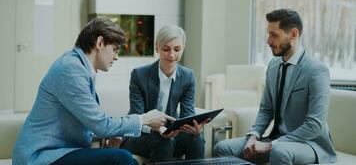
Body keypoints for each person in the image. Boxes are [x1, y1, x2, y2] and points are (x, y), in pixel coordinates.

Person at [12, 17, 174, 165]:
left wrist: (117, 131)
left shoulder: (80, 67)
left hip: (60, 151)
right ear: (100, 43)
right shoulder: (71, 70)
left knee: (120, 156)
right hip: (41, 156)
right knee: (122, 158)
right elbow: (100, 124)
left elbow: (90, 122)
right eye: (115, 49)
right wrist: (143, 119)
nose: (116, 57)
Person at [214, 9, 337, 164]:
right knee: (223, 148)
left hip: (310, 144)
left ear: (293, 34)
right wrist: (254, 136)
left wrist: (271, 145)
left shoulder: (316, 71)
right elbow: (266, 110)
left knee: (279, 151)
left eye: (274, 35)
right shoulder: (273, 66)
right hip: (276, 139)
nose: (268, 40)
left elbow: (315, 125)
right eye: (268, 34)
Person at [121, 25, 207, 162]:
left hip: (170, 133)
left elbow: (187, 115)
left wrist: (193, 128)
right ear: (157, 47)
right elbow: (137, 115)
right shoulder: (139, 75)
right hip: (140, 134)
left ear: (183, 48)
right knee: (164, 142)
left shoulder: (188, 76)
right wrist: (158, 129)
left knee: (196, 139)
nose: (172, 55)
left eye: (177, 49)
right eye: (166, 49)